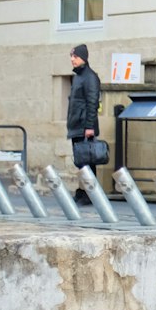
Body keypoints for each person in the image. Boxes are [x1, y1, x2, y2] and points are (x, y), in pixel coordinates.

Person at [66, 44, 100, 205]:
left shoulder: (90, 77)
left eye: (75, 57)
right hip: (76, 126)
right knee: (81, 162)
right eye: (71, 56)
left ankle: (90, 194)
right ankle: (84, 191)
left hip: (84, 127)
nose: (72, 59)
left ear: (83, 58)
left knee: (87, 162)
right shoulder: (78, 76)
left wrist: (89, 127)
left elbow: (92, 102)